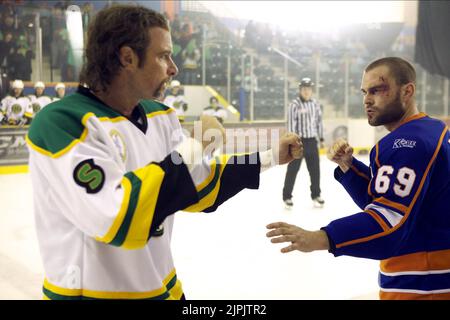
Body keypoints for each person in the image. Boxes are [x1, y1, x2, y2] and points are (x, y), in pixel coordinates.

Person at [26, 4, 302, 300]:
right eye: (163, 56)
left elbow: (199, 188)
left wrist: (270, 155)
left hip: (165, 289)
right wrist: (196, 146)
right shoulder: (61, 123)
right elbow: (120, 218)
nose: (173, 68)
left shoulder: (160, 115)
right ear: (127, 57)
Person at [266, 57, 450, 300]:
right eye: (365, 92)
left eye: (376, 90)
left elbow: (389, 222)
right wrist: (350, 167)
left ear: (408, 91)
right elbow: (392, 202)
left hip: (422, 281)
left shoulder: (408, 143)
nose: (366, 99)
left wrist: (320, 238)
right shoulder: (433, 129)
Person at [282, 77, 325, 209]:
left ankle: (316, 195)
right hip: (298, 142)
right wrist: (291, 142)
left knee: (315, 170)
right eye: (304, 89)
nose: (306, 91)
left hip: (312, 141)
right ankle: (287, 196)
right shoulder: (294, 105)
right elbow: (290, 124)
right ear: (300, 90)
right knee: (293, 170)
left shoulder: (315, 104)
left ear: (311, 90)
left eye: (309, 89)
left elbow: (319, 122)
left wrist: (321, 138)